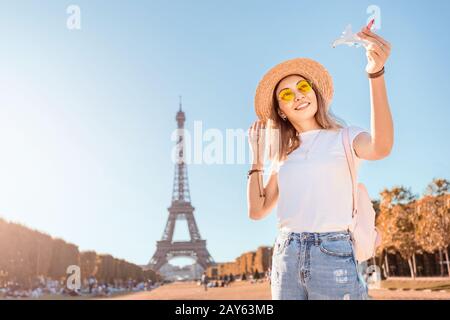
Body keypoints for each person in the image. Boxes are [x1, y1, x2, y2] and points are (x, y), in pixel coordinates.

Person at [248, 26, 393, 300]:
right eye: (287, 94)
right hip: (286, 255)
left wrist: (375, 73)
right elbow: (257, 210)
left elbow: (381, 147)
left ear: (315, 93)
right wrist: (257, 158)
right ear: (281, 110)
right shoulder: (283, 155)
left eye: (303, 87)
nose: (298, 95)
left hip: (332, 251)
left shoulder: (345, 137)